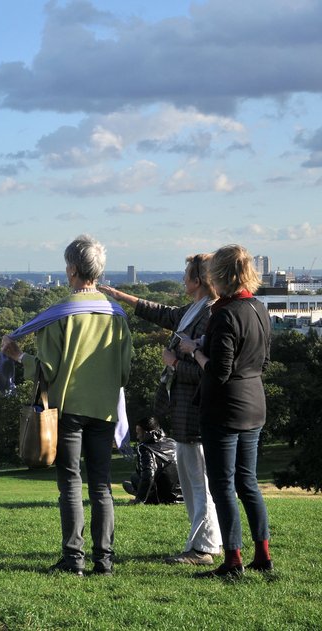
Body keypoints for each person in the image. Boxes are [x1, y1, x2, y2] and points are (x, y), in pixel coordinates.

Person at [0, 234, 132, 576]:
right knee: (101, 485)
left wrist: (18, 357)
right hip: (104, 409)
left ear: (72, 269)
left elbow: (46, 370)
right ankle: (105, 561)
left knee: (70, 484)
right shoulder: (116, 315)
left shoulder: (61, 314)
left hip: (68, 409)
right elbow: (126, 370)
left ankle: (74, 559)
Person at [101, 254, 222, 565]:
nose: (183, 280)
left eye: (186, 275)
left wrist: (175, 363)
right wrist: (118, 295)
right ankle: (202, 544)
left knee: (198, 480)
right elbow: (161, 313)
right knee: (193, 479)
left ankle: (204, 548)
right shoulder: (195, 310)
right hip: (184, 409)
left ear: (198, 280)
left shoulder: (209, 314)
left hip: (194, 409)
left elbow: (210, 370)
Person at [179, 244, 272, 578]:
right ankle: (263, 554)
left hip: (223, 408)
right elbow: (262, 359)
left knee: (222, 485)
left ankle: (233, 560)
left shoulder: (223, 313)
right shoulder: (258, 307)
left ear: (217, 275)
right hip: (254, 403)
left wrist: (193, 351)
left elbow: (217, 372)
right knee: (248, 482)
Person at [123, 417, 182, 504]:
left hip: (162, 498)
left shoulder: (144, 448)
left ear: (146, 433)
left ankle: (141, 495)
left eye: (138, 433)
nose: (137, 437)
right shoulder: (173, 443)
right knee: (130, 481)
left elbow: (148, 475)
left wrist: (139, 500)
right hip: (182, 496)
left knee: (133, 477)